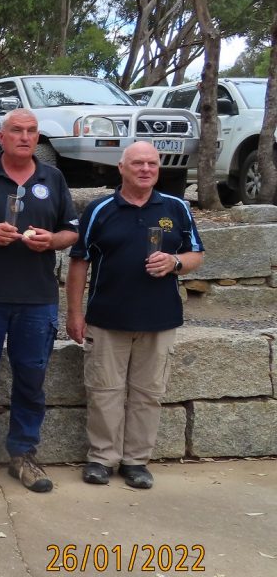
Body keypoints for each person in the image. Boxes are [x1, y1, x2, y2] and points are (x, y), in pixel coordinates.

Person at [0, 108, 79, 493]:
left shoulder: (52, 178)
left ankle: (23, 455)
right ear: (1, 137)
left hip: (36, 300)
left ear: (38, 138)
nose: (24, 137)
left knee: (31, 380)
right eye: (16, 131)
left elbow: (71, 231)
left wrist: (51, 241)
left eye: (31, 131)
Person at [66, 142, 204, 489]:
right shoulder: (100, 209)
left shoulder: (176, 207)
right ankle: (102, 458)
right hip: (107, 318)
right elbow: (79, 263)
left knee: (148, 393)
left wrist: (175, 263)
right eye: (138, 163)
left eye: (152, 164)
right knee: (104, 391)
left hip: (160, 319)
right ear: (122, 168)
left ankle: (136, 461)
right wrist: (74, 313)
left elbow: (196, 255)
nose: (145, 169)